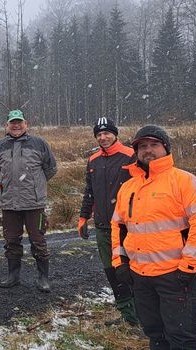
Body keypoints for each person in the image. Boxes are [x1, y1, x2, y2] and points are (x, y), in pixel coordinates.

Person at [111, 125, 196, 349]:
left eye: (154, 145)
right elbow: (118, 227)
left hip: (175, 276)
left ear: (166, 148)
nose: (148, 150)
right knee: (155, 335)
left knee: (181, 338)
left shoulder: (186, 182)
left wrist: (188, 267)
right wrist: (119, 262)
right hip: (140, 276)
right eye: (142, 146)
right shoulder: (128, 187)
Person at [78, 117, 139, 325]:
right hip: (103, 227)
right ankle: (127, 315)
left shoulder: (130, 156)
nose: (103, 137)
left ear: (115, 134)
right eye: (99, 134)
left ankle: (143, 315)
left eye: (107, 133)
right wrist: (83, 217)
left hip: (128, 227)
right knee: (111, 271)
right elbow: (89, 191)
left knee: (132, 270)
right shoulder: (93, 160)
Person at [0, 110, 58, 292]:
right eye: (13, 122)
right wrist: (6, 183)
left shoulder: (39, 144)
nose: (16, 125)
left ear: (26, 124)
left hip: (34, 203)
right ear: (7, 125)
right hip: (9, 203)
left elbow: (51, 169)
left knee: (38, 240)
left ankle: (43, 278)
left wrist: (36, 185)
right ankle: (13, 276)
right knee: (11, 240)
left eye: (19, 122)